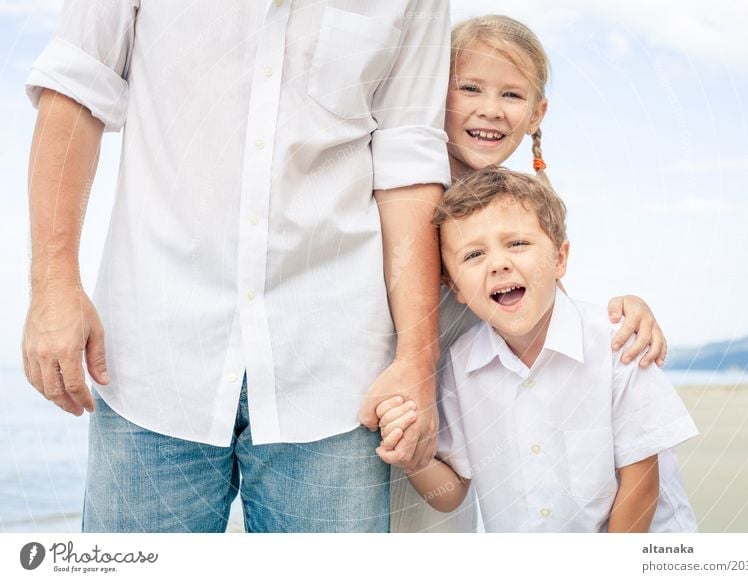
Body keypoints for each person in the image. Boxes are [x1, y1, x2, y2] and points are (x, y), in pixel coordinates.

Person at [22, 0, 452, 532]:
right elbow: (76, 89)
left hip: (336, 371)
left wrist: (417, 358)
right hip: (153, 357)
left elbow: (408, 161)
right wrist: (53, 285)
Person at [388, 14, 670, 533]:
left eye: (512, 96)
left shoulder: (520, 202)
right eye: (469, 87)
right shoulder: (400, 187)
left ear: (538, 113)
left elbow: (551, 304)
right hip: (420, 403)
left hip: (482, 398)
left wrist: (630, 307)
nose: (490, 109)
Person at [379, 167, 698, 532]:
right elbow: (453, 491)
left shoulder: (617, 344)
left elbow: (641, 486)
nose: (499, 263)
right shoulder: (461, 364)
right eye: (473, 255)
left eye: (517, 243)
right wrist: (414, 458)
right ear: (457, 289)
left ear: (560, 258)